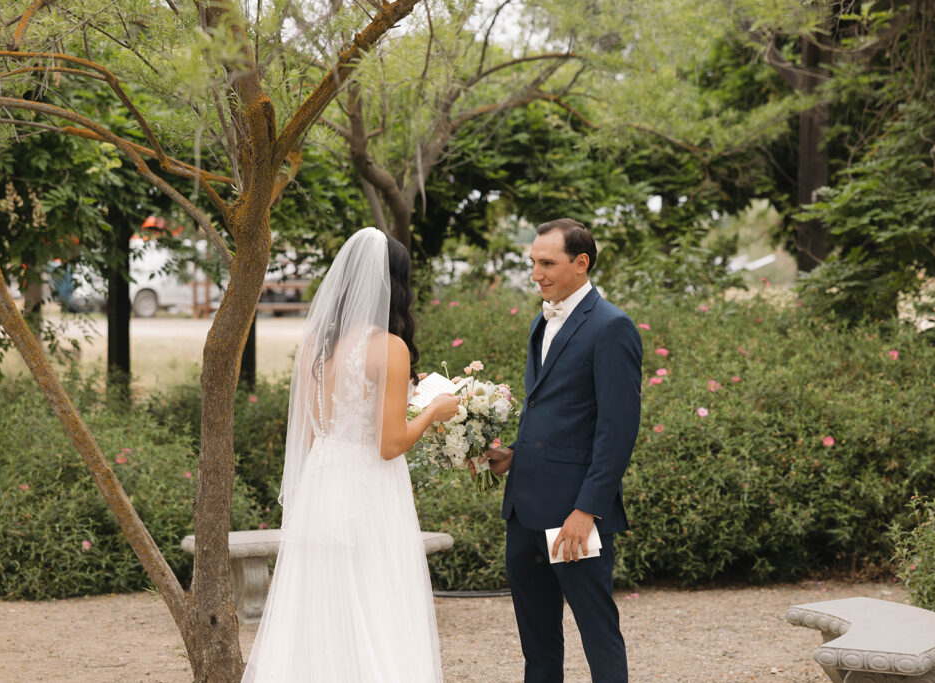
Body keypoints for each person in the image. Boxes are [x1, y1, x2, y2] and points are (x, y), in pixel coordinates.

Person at [242, 227, 459, 682]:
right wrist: (435, 411)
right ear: (395, 285)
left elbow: (308, 434)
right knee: (375, 595)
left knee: (320, 599)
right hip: (369, 486)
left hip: (323, 479)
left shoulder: (318, 344)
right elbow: (389, 445)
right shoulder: (389, 348)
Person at [482, 218, 642, 682]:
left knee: (598, 634)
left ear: (581, 262)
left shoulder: (612, 327)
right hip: (524, 509)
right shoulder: (541, 319)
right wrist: (513, 454)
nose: (536, 273)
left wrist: (586, 510)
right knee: (537, 642)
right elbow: (551, 413)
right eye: (533, 262)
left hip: (574, 515)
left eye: (547, 263)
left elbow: (617, 431)